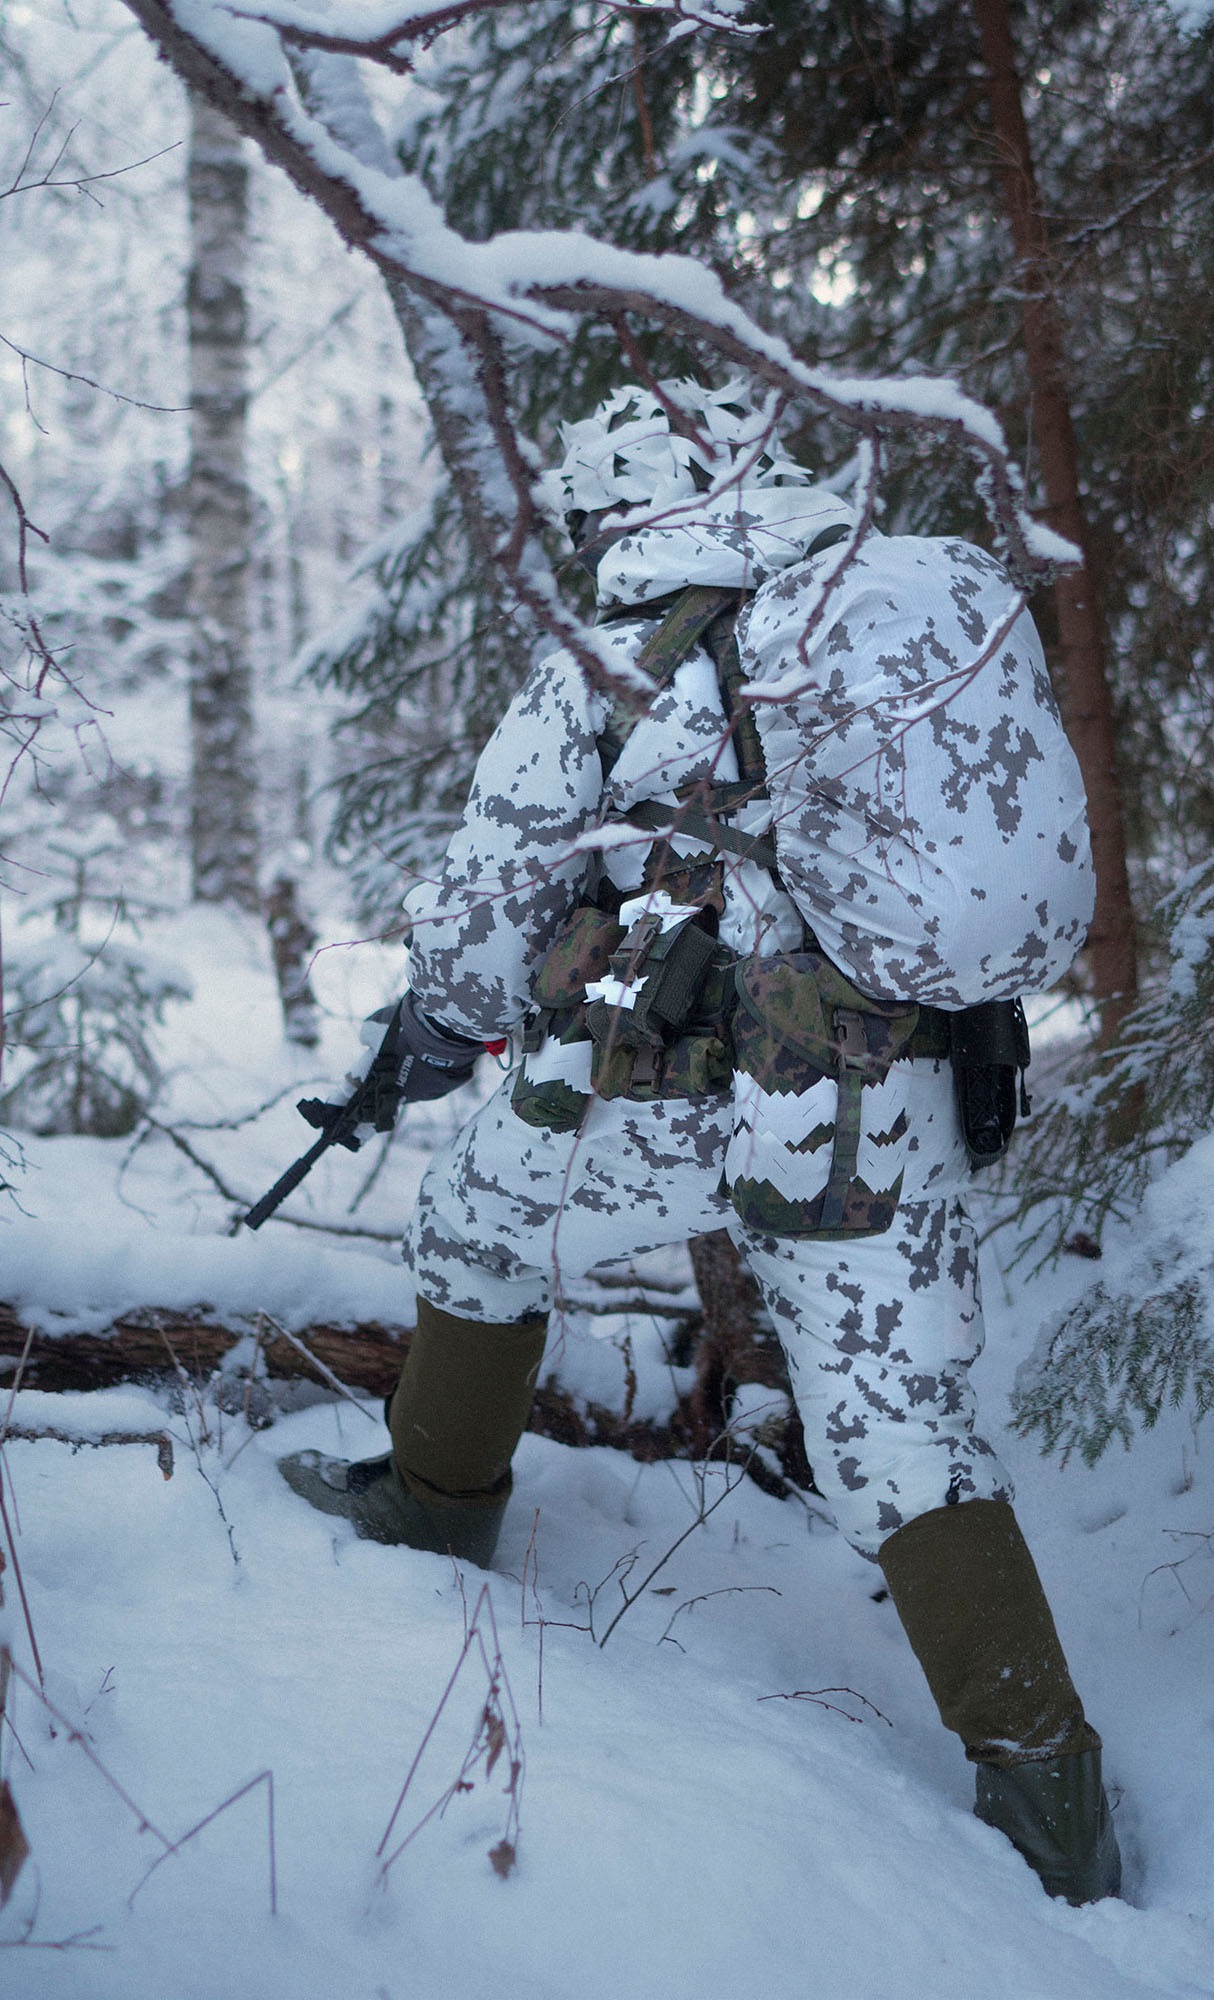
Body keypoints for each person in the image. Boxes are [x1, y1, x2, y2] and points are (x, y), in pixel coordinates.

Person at [279, 379, 1121, 1903]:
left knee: (480, 1219)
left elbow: (487, 911)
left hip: (688, 1090)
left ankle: (434, 1502)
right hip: (891, 1086)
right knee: (901, 1417)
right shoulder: (871, 600)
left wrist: (432, 1028)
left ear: (618, 502)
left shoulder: (613, 650)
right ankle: (1055, 1799)